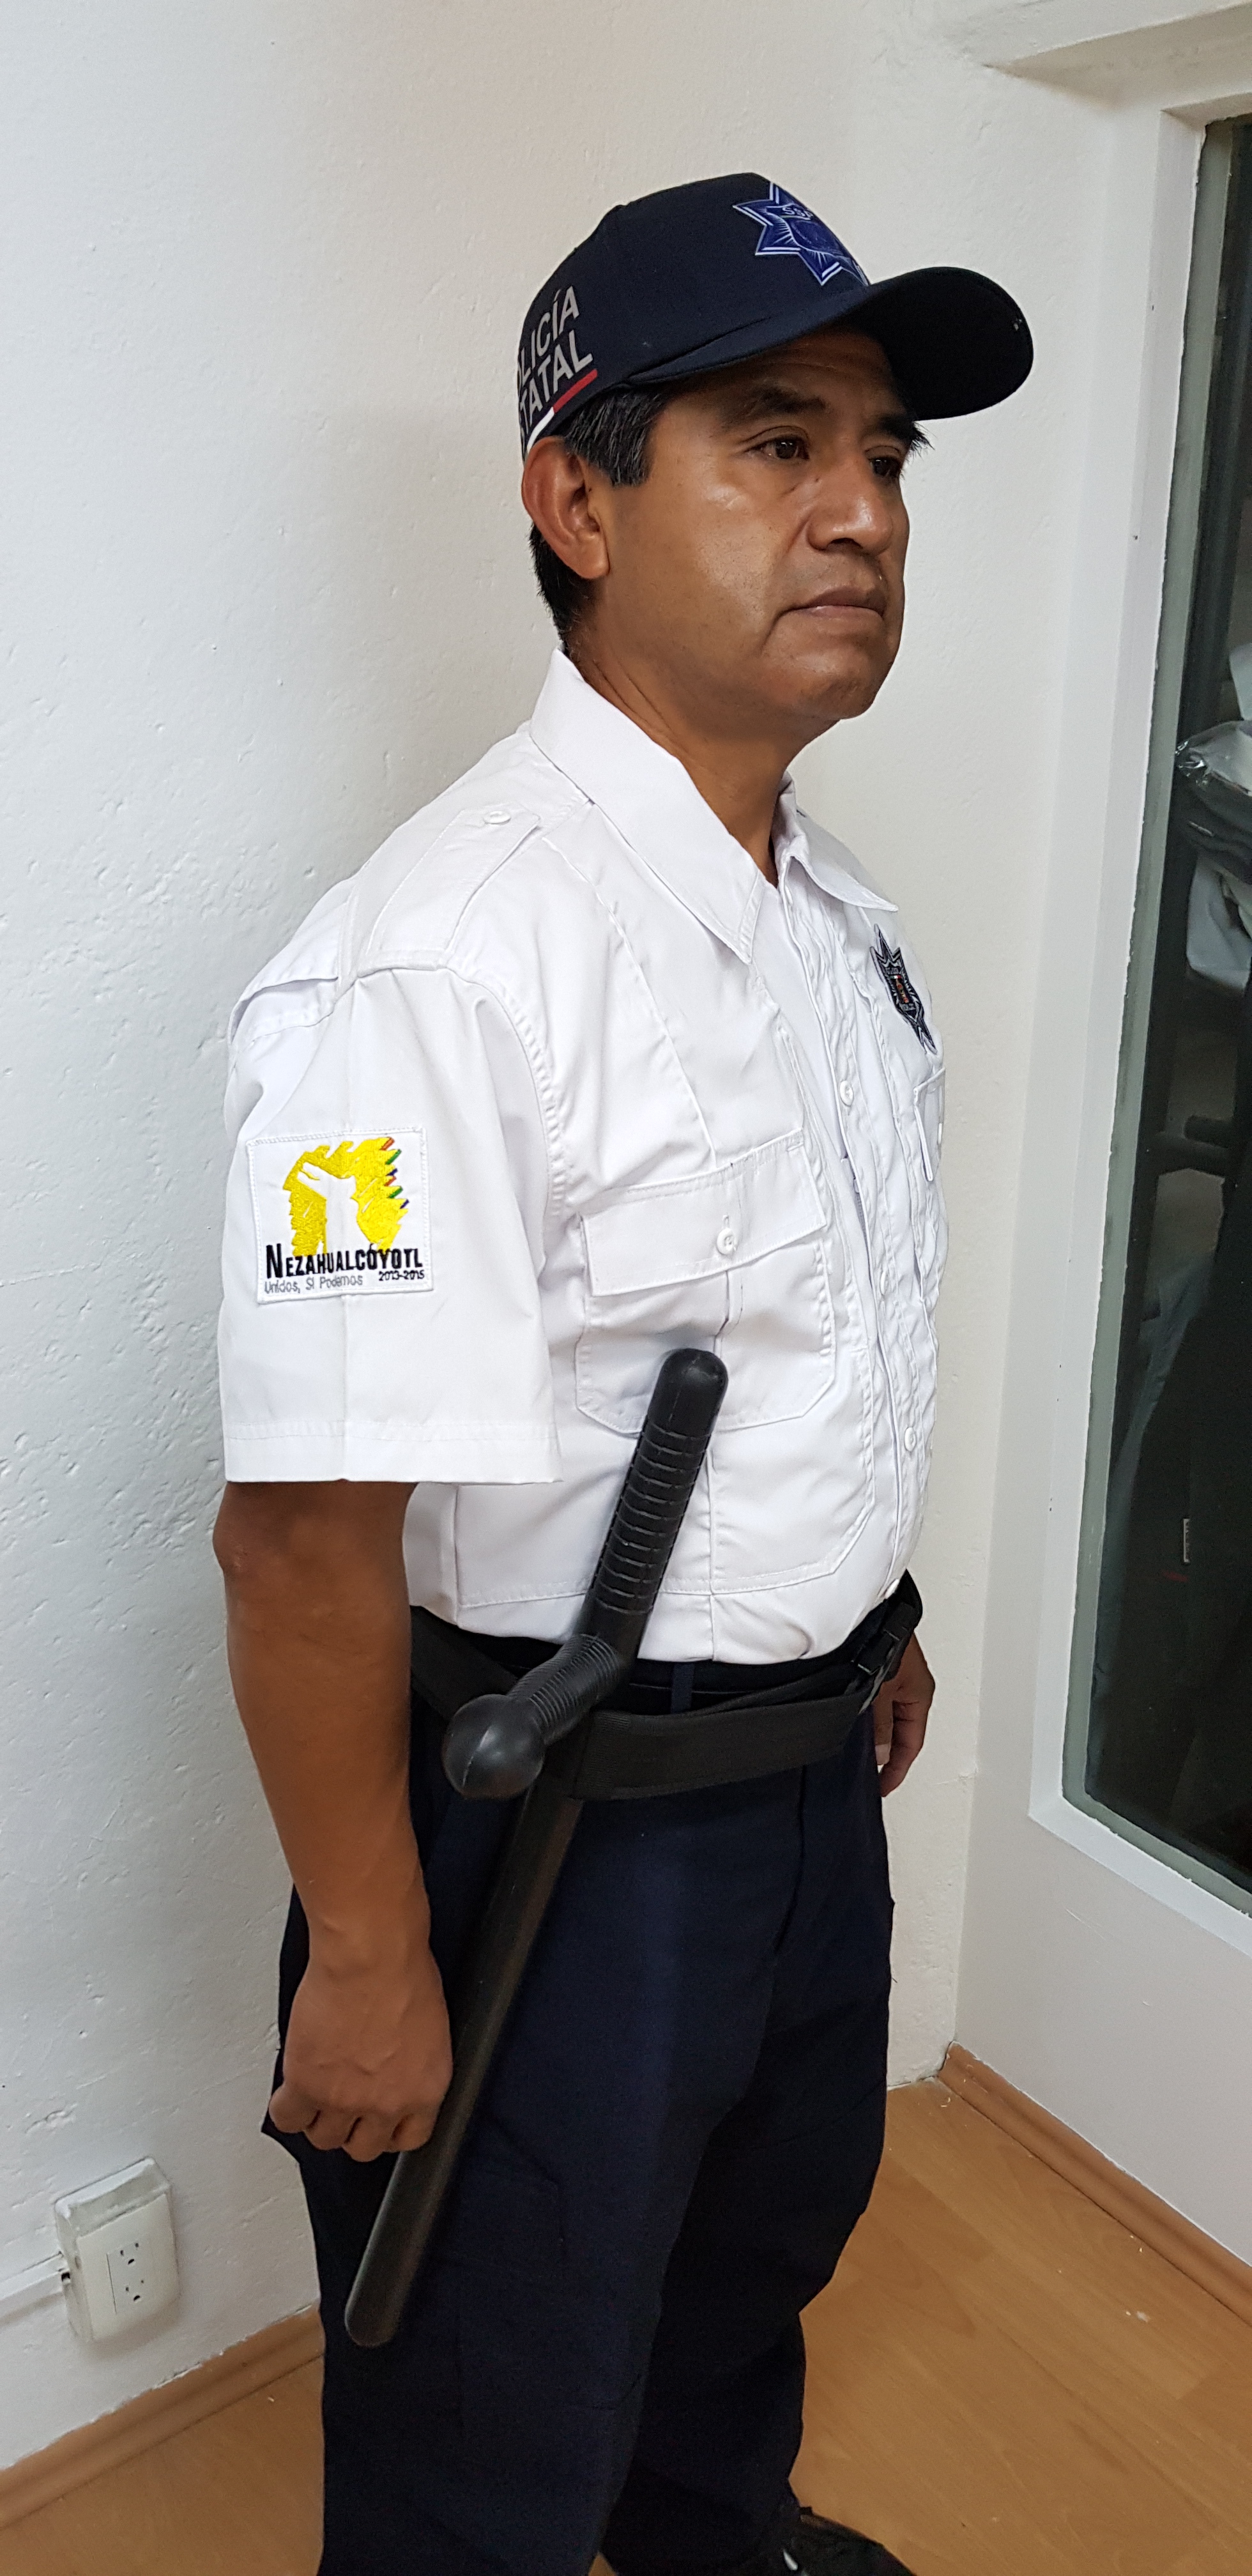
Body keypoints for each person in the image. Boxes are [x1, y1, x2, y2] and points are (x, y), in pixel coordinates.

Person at [214, 173, 1031, 2576]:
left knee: (740, 2285)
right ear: (577, 503)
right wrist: (375, 1954)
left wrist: (865, 1629)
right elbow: (304, 1538)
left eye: (883, 453)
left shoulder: (832, 914)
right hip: (563, 1844)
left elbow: (801, 1339)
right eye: (777, 444)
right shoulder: (439, 967)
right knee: (487, 2408)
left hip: (801, 1789)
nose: (862, 511)